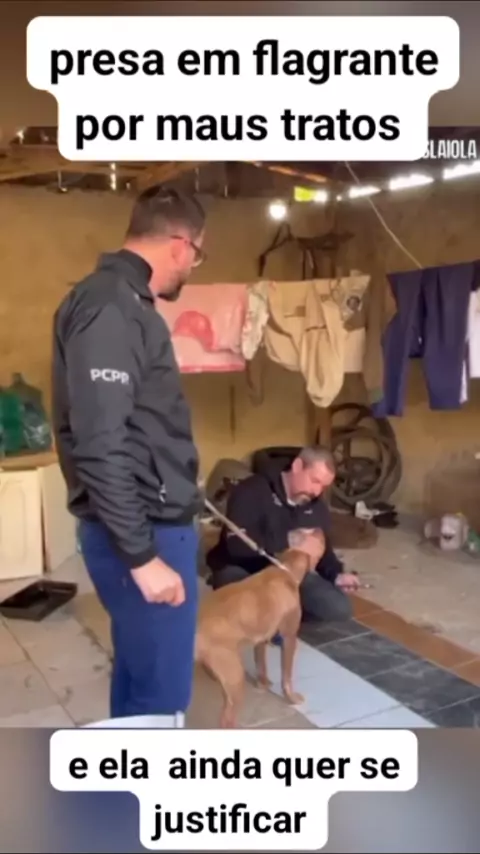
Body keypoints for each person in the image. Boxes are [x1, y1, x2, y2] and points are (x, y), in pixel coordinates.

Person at [52, 186, 206, 719]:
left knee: (140, 680)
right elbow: (100, 442)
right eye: (198, 256)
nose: (192, 268)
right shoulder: (112, 307)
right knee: (161, 699)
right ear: (182, 245)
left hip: (143, 522)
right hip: (145, 531)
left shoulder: (120, 302)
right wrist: (142, 558)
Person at [206, 447, 360, 623]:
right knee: (241, 601)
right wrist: (288, 539)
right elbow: (237, 546)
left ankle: (277, 619)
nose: (316, 491)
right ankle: (272, 618)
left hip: (288, 573)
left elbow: (322, 548)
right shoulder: (251, 490)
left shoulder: (316, 505)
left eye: (323, 486)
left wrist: (336, 574)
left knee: (340, 609)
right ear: (297, 466)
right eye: (314, 481)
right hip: (244, 568)